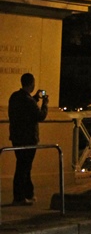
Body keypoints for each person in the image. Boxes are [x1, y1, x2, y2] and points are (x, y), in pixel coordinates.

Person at [7, 72, 49, 205]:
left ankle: (28, 194)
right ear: (31, 84)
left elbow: (25, 109)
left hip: (16, 137)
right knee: (24, 168)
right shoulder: (28, 101)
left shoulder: (14, 97)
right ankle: (19, 197)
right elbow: (40, 116)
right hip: (28, 138)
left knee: (22, 166)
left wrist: (35, 98)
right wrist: (45, 104)